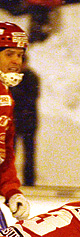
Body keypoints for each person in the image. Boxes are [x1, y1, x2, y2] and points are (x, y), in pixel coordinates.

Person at [0, 21, 32, 237]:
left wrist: (11, 190)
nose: (16, 62)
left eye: (20, 55)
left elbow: (4, 155)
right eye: (9, 53)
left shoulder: (5, 96)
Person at [11, 54, 39, 186]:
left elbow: (30, 98)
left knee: (29, 155)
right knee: (10, 155)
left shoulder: (32, 78)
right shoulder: (10, 78)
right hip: (14, 122)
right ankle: (9, 182)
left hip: (28, 123)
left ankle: (29, 182)